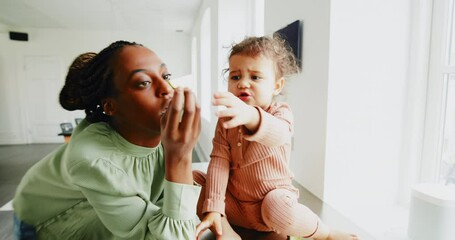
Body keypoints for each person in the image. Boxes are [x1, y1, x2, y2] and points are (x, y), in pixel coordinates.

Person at [13, 40, 202, 239]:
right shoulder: (92, 159)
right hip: (45, 221)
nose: (166, 88)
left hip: (99, 212)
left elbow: (167, 205)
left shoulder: (166, 133)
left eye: (166, 76)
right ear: (110, 106)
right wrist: (180, 156)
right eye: (144, 82)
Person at [193, 36, 358, 240]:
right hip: (234, 206)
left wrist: (251, 116)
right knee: (193, 180)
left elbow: (279, 135)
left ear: (277, 86)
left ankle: (324, 233)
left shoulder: (281, 112)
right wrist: (215, 208)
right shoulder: (226, 120)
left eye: (255, 77)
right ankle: (224, 229)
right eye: (235, 77)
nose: (243, 83)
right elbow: (219, 161)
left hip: (270, 208)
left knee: (278, 206)